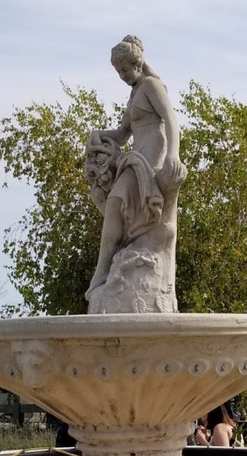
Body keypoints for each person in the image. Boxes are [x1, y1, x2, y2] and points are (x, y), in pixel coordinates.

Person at [85, 35, 188, 314]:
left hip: (151, 161)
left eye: (125, 70)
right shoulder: (134, 94)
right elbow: (121, 134)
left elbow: (171, 119)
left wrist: (173, 155)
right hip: (135, 159)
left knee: (116, 203)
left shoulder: (152, 86)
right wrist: (98, 135)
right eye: (118, 72)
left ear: (137, 63)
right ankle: (104, 271)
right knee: (113, 205)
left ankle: (102, 272)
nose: (122, 76)